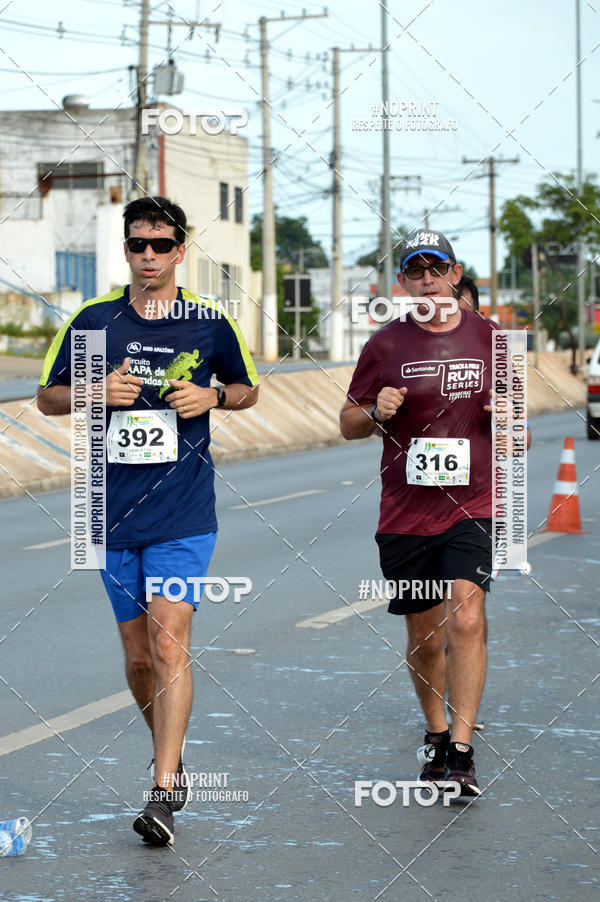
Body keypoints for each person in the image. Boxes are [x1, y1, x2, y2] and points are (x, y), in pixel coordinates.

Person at [37, 195, 259, 844]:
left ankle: (161, 792)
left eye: (162, 245)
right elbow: (47, 398)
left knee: (169, 640)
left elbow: (248, 388)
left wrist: (214, 395)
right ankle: (173, 749)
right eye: (139, 244)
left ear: (181, 251)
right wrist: (92, 391)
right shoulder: (94, 321)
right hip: (110, 515)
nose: (150, 256)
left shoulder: (207, 322)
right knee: (138, 659)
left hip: (185, 511)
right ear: (126, 250)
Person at [340, 229, 498, 797]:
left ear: (455, 275)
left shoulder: (492, 338)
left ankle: (461, 749)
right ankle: (435, 735)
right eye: (416, 271)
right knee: (427, 636)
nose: (428, 280)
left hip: (472, 505)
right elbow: (348, 423)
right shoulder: (385, 346)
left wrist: (510, 426)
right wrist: (377, 412)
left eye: (438, 269)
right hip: (406, 512)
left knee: (468, 618)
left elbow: (517, 428)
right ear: (402, 282)